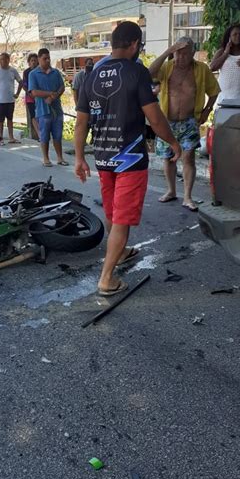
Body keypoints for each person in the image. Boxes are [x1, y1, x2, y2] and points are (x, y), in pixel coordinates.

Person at [74, 21, 182, 296]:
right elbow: (154, 118)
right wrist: (172, 141)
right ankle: (107, 278)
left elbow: (81, 123)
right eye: (140, 45)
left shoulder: (92, 75)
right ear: (134, 44)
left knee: (112, 212)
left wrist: (78, 158)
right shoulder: (137, 72)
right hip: (130, 159)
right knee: (121, 219)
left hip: (103, 157)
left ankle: (119, 255)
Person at [149, 37, 220, 211]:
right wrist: (167, 52)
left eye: (185, 53)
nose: (181, 57)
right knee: (168, 157)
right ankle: (171, 191)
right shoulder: (167, 67)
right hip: (167, 121)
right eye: (178, 53)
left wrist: (206, 110)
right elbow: (150, 73)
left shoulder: (201, 69)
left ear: (193, 53)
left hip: (190, 120)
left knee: (188, 157)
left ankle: (187, 196)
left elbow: (214, 92)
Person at [29, 48, 69, 167]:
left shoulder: (55, 72)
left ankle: (60, 157)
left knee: (57, 134)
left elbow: (62, 87)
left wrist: (54, 95)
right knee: (44, 135)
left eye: (48, 58)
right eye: (44, 58)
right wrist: (49, 94)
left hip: (56, 109)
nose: (47, 61)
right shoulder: (33, 74)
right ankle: (46, 158)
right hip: (42, 110)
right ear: (39, 59)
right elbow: (34, 92)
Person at [209, 23, 240, 105]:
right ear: (229, 37)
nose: (238, 36)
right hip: (224, 100)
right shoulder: (221, 51)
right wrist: (226, 53)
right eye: (234, 34)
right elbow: (212, 67)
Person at [0, 52, 22, 144]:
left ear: (8, 60)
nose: (1, 61)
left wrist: (17, 94)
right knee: (0, 120)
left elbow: (21, 82)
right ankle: (0, 138)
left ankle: (11, 137)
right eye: (0, 59)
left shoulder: (13, 71)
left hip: (10, 100)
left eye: (3, 59)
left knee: (10, 119)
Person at [22, 52, 40, 139]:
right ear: (29, 62)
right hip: (30, 98)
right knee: (33, 116)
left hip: (40, 97)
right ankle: (39, 134)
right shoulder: (26, 72)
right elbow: (24, 85)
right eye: (32, 60)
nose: (33, 62)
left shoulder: (40, 71)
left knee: (40, 115)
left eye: (35, 61)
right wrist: (30, 94)